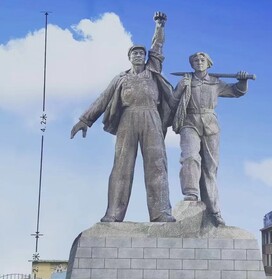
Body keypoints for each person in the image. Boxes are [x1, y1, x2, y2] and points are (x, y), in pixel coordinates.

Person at [70, 12, 176, 223]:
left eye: (141, 53)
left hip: (151, 116)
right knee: (121, 167)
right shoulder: (120, 78)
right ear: (129, 57)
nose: (138, 55)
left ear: (145, 57)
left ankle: (161, 212)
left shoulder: (153, 70)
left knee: (157, 165)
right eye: (134, 53)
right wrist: (85, 120)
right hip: (128, 119)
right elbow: (103, 98)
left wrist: (159, 25)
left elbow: (157, 46)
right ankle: (113, 213)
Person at [173, 52, 250, 226]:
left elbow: (236, 91)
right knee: (190, 157)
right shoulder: (186, 80)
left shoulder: (215, 82)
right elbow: (172, 100)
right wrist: (179, 89)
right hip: (189, 121)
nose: (199, 63)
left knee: (210, 168)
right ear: (191, 64)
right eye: (195, 61)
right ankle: (191, 195)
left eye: (202, 60)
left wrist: (242, 81)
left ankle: (213, 209)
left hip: (210, 124)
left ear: (208, 63)